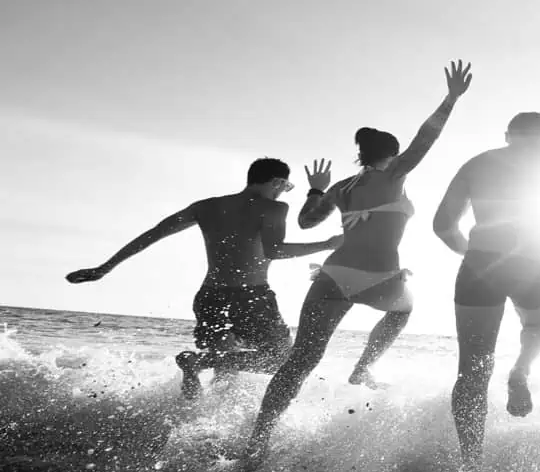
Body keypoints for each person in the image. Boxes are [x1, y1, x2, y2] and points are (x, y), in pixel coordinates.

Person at [244, 60, 472, 460]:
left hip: (332, 276)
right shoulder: (394, 176)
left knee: (300, 361)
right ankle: (363, 367)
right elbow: (426, 139)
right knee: (403, 310)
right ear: (393, 155)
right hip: (379, 276)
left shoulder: (341, 186)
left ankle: (258, 440)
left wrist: (315, 190)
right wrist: (450, 99)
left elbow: (306, 221)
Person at [65, 159, 342, 398]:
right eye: (286, 187)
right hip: (250, 297)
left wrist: (106, 267)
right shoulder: (273, 208)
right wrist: (327, 244)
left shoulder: (206, 207)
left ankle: (204, 423)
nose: (284, 193)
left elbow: (155, 233)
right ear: (277, 182)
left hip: (210, 296)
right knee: (279, 360)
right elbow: (275, 250)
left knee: (225, 368)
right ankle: (197, 363)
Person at [433, 110, 540, 464]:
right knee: (539, 327)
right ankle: (520, 370)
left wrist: (469, 251)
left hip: (481, 263)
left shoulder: (477, 164)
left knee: (472, 367)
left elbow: (442, 224)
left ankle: (471, 462)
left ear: (507, 135)